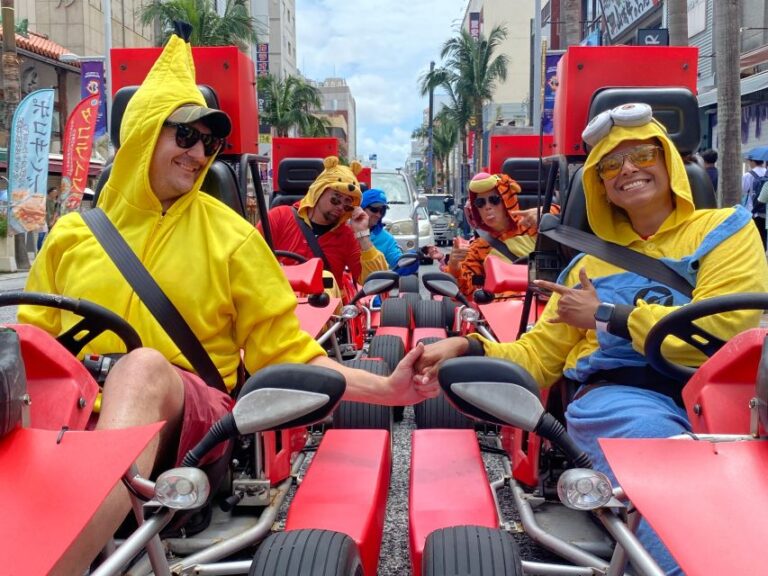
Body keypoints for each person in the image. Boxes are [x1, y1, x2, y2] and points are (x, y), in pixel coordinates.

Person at [17, 32, 435, 575]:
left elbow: (282, 354)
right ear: (143, 133)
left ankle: (59, 561)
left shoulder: (233, 237)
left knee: (141, 369)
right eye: (185, 135)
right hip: (71, 421)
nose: (197, 154)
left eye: (208, 144)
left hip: (192, 423)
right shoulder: (72, 234)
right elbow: (36, 349)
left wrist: (384, 389)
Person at [415, 107, 768, 574]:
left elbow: (729, 330)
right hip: (626, 393)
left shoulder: (726, 229)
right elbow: (538, 358)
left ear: (668, 162)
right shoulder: (585, 269)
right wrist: (469, 346)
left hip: (735, 394)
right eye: (610, 164)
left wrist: (606, 315)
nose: (628, 169)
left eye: (642, 153)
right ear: (599, 185)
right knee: (680, 483)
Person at [265, 156, 388, 293]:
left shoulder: (347, 235)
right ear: (319, 191)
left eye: (347, 204)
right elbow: (251, 259)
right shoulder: (279, 217)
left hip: (327, 309)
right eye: (336, 199)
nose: (340, 207)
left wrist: (363, 235)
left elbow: (376, 282)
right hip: (280, 301)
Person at [447, 172, 547, 300]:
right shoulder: (478, 248)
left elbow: (570, 229)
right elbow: (466, 291)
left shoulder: (535, 226)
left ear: (507, 199)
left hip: (547, 301)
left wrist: (547, 215)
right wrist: (454, 265)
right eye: (480, 203)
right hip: (505, 309)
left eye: (494, 200)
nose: (487, 207)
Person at [361, 187, 402, 268]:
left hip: (373, 280)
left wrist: (414, 257)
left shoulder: (387, 239)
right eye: (374, 209)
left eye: (382, 211)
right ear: (362, 208)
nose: (378, 215)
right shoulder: (345, 233)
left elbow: (399, 262)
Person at [741, 152, 767, 249]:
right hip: (765, 209)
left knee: (755, 234)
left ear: (752, 162)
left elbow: (743, 190)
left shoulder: (748, 175)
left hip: (753, 210)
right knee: (764, 235)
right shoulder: (766, 172)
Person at [36, 186, 59, 251]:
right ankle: (39, 251)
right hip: (43, 221)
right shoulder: (44, 200)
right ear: (49, 192)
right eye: (54, 192)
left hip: (52, 222)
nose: (55, 194)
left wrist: (52, 221)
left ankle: (48, 252)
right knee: (41, 237)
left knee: (51, 237)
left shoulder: (56, 202)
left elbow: (56, 213)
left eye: (56, 193)